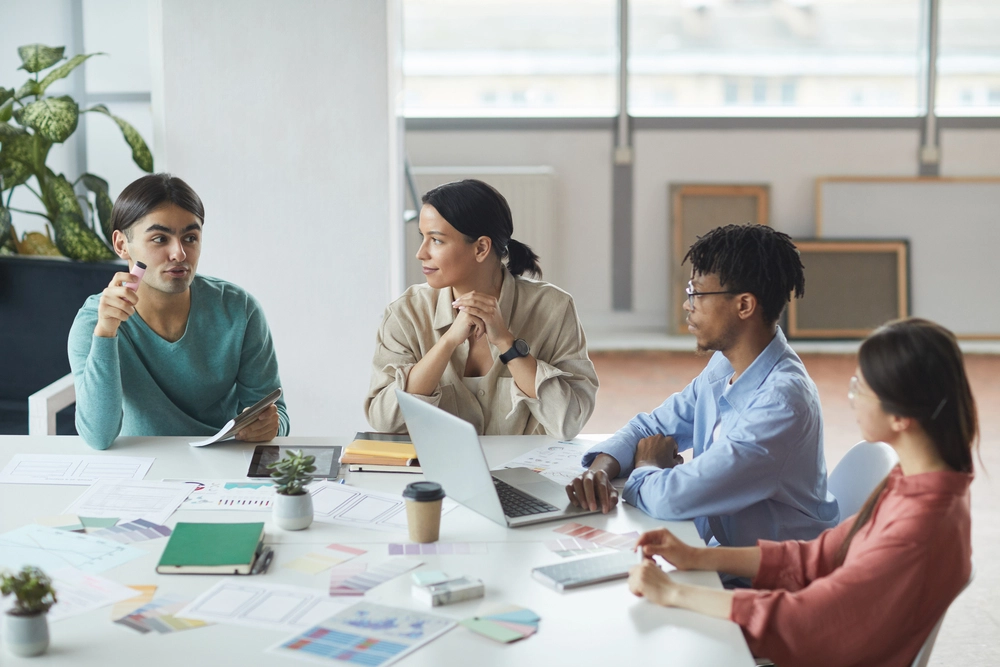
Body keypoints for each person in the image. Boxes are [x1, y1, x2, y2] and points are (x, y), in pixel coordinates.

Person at [627, 318, 976, 667]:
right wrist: (697, 557)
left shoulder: (919, 525)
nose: (852, 398)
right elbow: (819, 555)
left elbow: (805, 620)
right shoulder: (919, 482)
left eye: (861, 387)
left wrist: (674, 592)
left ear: (900, 417)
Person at [568, 224, 839, 551]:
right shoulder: (725, 365)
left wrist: (646, 466)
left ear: (744, 306)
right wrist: (599, 471)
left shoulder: (781, 403)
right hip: (723, 554)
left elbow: (673, 498)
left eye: (696, 293)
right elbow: (649, 428)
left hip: (771, 573)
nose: (688, 305)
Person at [68, 174, 289, 450]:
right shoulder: (93, 322)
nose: (179, 254)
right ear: (122, 244)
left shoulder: (239, 310)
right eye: (160, 239)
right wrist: (105, 333)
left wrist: (270, 425)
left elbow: (277, 415)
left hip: (223, 459)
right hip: (142, 463)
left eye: (190, 238)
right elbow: (98, 437)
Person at [365, 179, 598, 439]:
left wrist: (507, 344)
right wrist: (447, 343)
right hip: (435, 466)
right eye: (423, 237)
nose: (421, 253)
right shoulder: (405, 313)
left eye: (437, 240)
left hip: (527, 466)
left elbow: (569, 421)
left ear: (481, 248)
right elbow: (385, 421)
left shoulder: (553, 308)